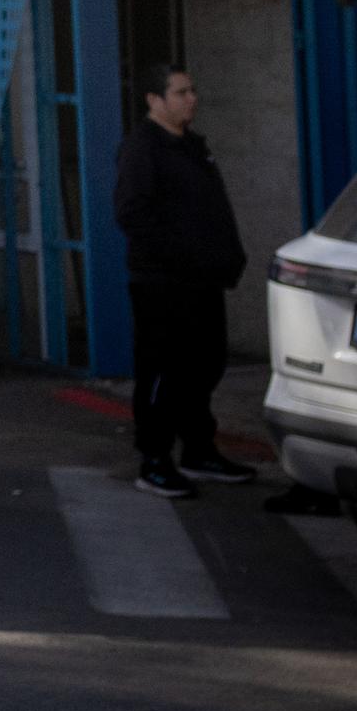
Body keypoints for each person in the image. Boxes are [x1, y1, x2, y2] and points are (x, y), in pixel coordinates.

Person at [113, 66, 254, 499]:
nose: (191, 99)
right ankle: (154, 459)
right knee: (162, 369)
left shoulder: (192, 146)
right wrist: (181, 257)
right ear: (154, 100)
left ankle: (199, 449)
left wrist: (224, 257)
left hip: (202, 282)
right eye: (180, 92)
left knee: (204, 365)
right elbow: (133, 214)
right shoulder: (143, 149)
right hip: (163, 283)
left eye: (192, 90)